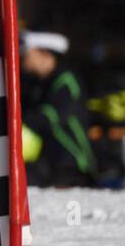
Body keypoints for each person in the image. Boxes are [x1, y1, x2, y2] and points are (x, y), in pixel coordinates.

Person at [20, 31, 95, 187]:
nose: (22, 56)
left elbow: (52, 116)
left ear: (45, 53)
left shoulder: (66, 81)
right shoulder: (36, 84)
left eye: (26, 51)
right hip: (45, 163)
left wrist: (21, 121)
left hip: (72, 164)